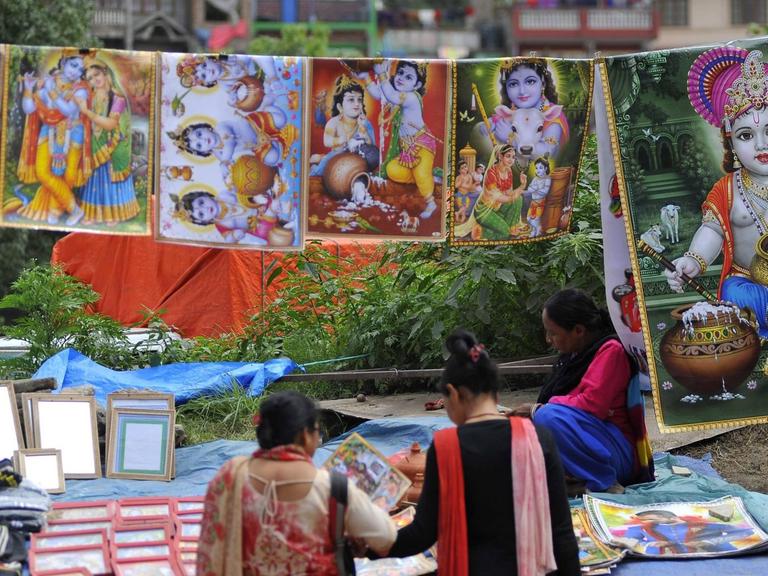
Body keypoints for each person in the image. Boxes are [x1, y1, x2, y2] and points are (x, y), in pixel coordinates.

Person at [382, 329, 580, 575]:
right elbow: (561, 532)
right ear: (495, 393)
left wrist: (369, 544)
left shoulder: (445, 447)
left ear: (453, 394)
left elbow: (422, 534)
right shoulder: (538, 437)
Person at [197, 391, 396, 576]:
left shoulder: (231, 474)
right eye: (317, 431)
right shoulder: (332, 488)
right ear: (304, 435)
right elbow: (385, 538)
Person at [667, 47, 768, 337]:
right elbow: (713, 231)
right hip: (749, 282)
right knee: (735, 294)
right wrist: (693, 260)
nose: (761, 145)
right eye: (746, 135)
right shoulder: (727, 189)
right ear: (731, 143)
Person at [515, 289, 654, 494]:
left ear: (578, 330)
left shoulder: (611, 351)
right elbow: (574, 404)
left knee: (547, 417)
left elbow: (592, 405)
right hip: (591, 441)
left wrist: (538, 409)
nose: (548, 339)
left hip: (614, 452)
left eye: (552, 332)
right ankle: (572, 480)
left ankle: (604, 482)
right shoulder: (574, 356)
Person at [16, 50, 89, 225]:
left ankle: (55, 211)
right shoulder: (46, 83)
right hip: (48, 131)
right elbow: (29, 109)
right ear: (63, 62)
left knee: (69, 175)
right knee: (42, 171)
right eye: (73, 65)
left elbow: (68, 111)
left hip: (73, 132)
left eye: (80, 69)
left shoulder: (81, 90)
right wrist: (28, 89)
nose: (76, 72)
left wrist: (52, 91)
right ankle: (74, 209)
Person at [361, 60, 439, 219]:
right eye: (400, 72)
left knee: (421, 172)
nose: (401, 77)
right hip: (408, 149)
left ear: (416, 85)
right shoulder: (398, 95)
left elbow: (390, 95)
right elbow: (379, 94)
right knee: (392, 170)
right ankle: (426, 178)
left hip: (422, 146)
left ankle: (431, 203)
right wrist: (365, 77)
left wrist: (381, 73)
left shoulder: (410, 97)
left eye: (408, 77)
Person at [73, 57, 139, 225]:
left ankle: (114, 214)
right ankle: (92, 214)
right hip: (95, 143)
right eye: (90, 78)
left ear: (105, 73)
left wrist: (87, 112)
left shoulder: (118, 99)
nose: (95, 80)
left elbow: (111, 124)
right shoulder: (92, 96)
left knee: (110, 178)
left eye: (97, 75)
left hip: (114, 144)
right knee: (94, 178)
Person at [479, 59, 569, 161]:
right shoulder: (512, 112)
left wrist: (510, 138)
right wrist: (490, 124)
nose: (522, 91)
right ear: (506, 88)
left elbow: (547, 152)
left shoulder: (553, 117)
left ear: (543, 82)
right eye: (513, 84)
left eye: (530, 81)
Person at [309, 75, 377, 176]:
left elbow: (371, 146)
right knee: (322, 170)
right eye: (351, 100)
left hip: (357, 157)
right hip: (337, 155)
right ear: (340, 106)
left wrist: (364, 131)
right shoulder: (334, 122)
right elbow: (326, 141)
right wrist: (341, 140)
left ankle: (320, 158)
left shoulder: (364, 123)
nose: (357, 104)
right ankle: (318, 162)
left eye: (359, 100)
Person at [618, 509, 756, 555]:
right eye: (644, 520)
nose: (646, 522)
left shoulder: (702, 524)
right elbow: (631, 540)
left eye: (649, 519)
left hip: (720, 556)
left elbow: (746, 532)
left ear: (670, 517)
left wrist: (709, 541)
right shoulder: (645, 529)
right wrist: (649, 545)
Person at [472, 144, 528, 240]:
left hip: (499, 208)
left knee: (518, 199)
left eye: (513, 157)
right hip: (485, 211)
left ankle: (509, 228)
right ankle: (482, 232)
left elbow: (509, 194)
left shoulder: (508, 171)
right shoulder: (491, 173)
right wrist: (517, 193)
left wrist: (522, 185)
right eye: (508, 156)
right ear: (500, 156)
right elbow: (501, 198)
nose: (511, 160)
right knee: (505, 233)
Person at [525, 157, 553, 237]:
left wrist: (535, 189)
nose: (538, 170)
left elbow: (545, 192)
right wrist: (534, 189)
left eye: (540, 168)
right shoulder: (535, 179)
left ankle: (537, 230)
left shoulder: (547, 179)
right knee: (529, 218)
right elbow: (529, 189)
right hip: (533, 202)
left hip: (541, 202)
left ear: (546, 168)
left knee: (536, 219)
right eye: (536, 168)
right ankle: (535, 229)